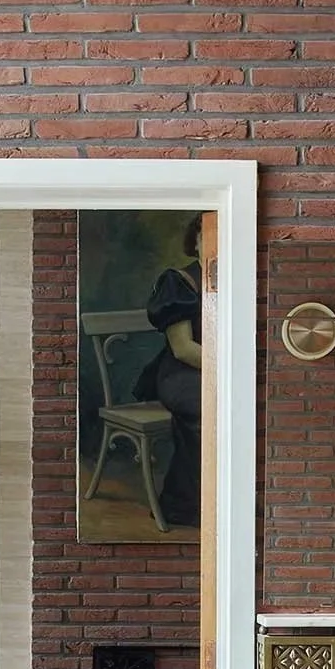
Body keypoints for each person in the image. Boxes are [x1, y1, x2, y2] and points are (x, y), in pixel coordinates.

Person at [136, 216, 203, 528]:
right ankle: (183, 504)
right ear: (197, 241)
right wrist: (232, 369)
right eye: (209, 236)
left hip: (216, 371)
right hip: (182, 373)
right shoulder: (179, 281)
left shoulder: (238, 277)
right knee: (209, 412)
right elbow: (184, 349)